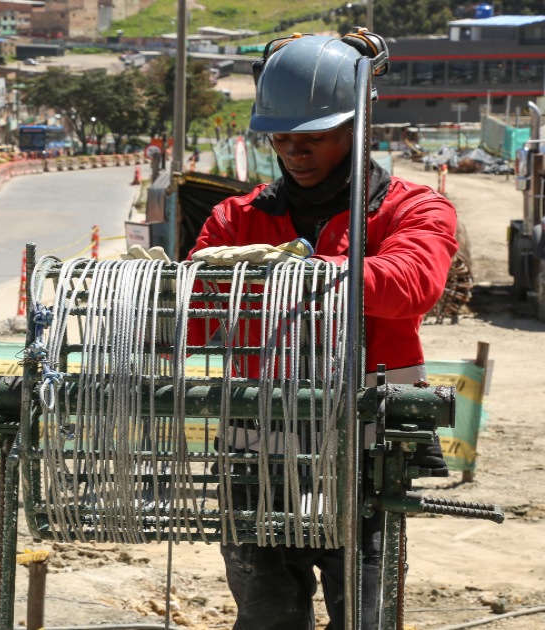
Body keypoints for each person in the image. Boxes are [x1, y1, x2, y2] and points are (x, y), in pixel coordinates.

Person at [140, 32, 456, 628]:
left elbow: (409, 283)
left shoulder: (414, 209)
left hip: (365, 451)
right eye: (281, 138)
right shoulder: (235, 218)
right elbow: (195, 319)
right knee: (266, 616)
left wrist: (288, 274)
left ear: (357, 127)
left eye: (313, 138)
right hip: (257, 454)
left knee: (366, 614)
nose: (294, 152)